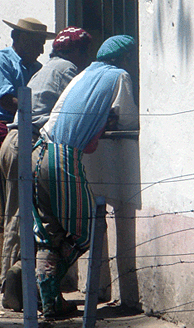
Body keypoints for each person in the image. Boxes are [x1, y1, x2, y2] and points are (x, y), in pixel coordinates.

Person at [32, 35, 139, 318]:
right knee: (87, 230)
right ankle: (48, 283)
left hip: (39, 151)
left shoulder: (83, 74)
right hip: (63, 158)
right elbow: (129, 119)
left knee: (50, 232)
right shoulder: (119, 75)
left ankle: (49, 302)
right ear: (125, 58)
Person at [0, 26, 93, 312]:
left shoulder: (49, 67)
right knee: (25, 217)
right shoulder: (67, 70)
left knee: (28, 217)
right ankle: (14, 286)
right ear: (75, 50)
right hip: (26, 142)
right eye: (85, 51)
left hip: (17, 140)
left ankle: (22, 285)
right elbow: (75, 107)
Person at [0, 17, 55, 294]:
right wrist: (42, 106)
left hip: (29, 130)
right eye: (37, 44)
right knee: (10, 209)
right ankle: (5, 274)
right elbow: (7, 100)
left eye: (43, 44)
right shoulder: (0, 61)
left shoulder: (38, 68)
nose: (41, 50)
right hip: (3, 130)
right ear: (19, 38)